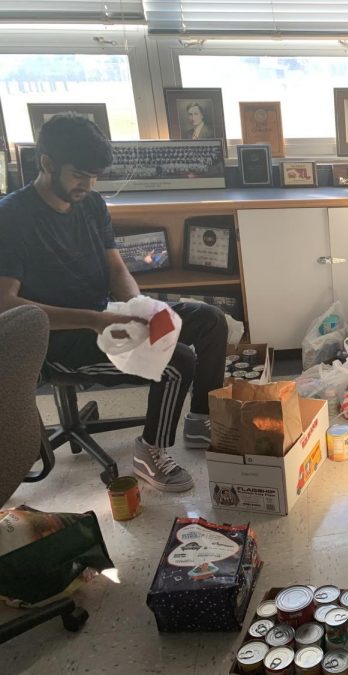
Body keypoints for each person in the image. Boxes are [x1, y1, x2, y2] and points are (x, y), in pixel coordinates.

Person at [0, 114, 228, 493]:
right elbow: (7, 307)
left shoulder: (90, 204)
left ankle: (200, 419)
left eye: (95, 177)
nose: (88, 186)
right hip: (56, 339)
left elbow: (115, 267)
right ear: (46, 164)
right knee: (176, 360)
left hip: (102, 316)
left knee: (209, 320)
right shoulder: (11, 218)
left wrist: (139, 305)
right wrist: (95, 320)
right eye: (79, 176)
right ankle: (150, 451)